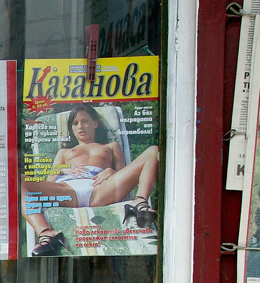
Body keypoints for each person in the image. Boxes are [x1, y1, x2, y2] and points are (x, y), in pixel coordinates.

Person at [22, 103, 160, 256]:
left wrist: (111, 171)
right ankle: (46, 233)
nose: (80, 126)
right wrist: (62, 169)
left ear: (95, 123)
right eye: (75, 123)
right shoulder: (64, 152)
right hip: (67, 190)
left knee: (153, 151)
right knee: (16, 180)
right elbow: (49, 180)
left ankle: (139, 203)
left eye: (85, 121)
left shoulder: (111, 146)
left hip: (100, 189)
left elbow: (123, 174)